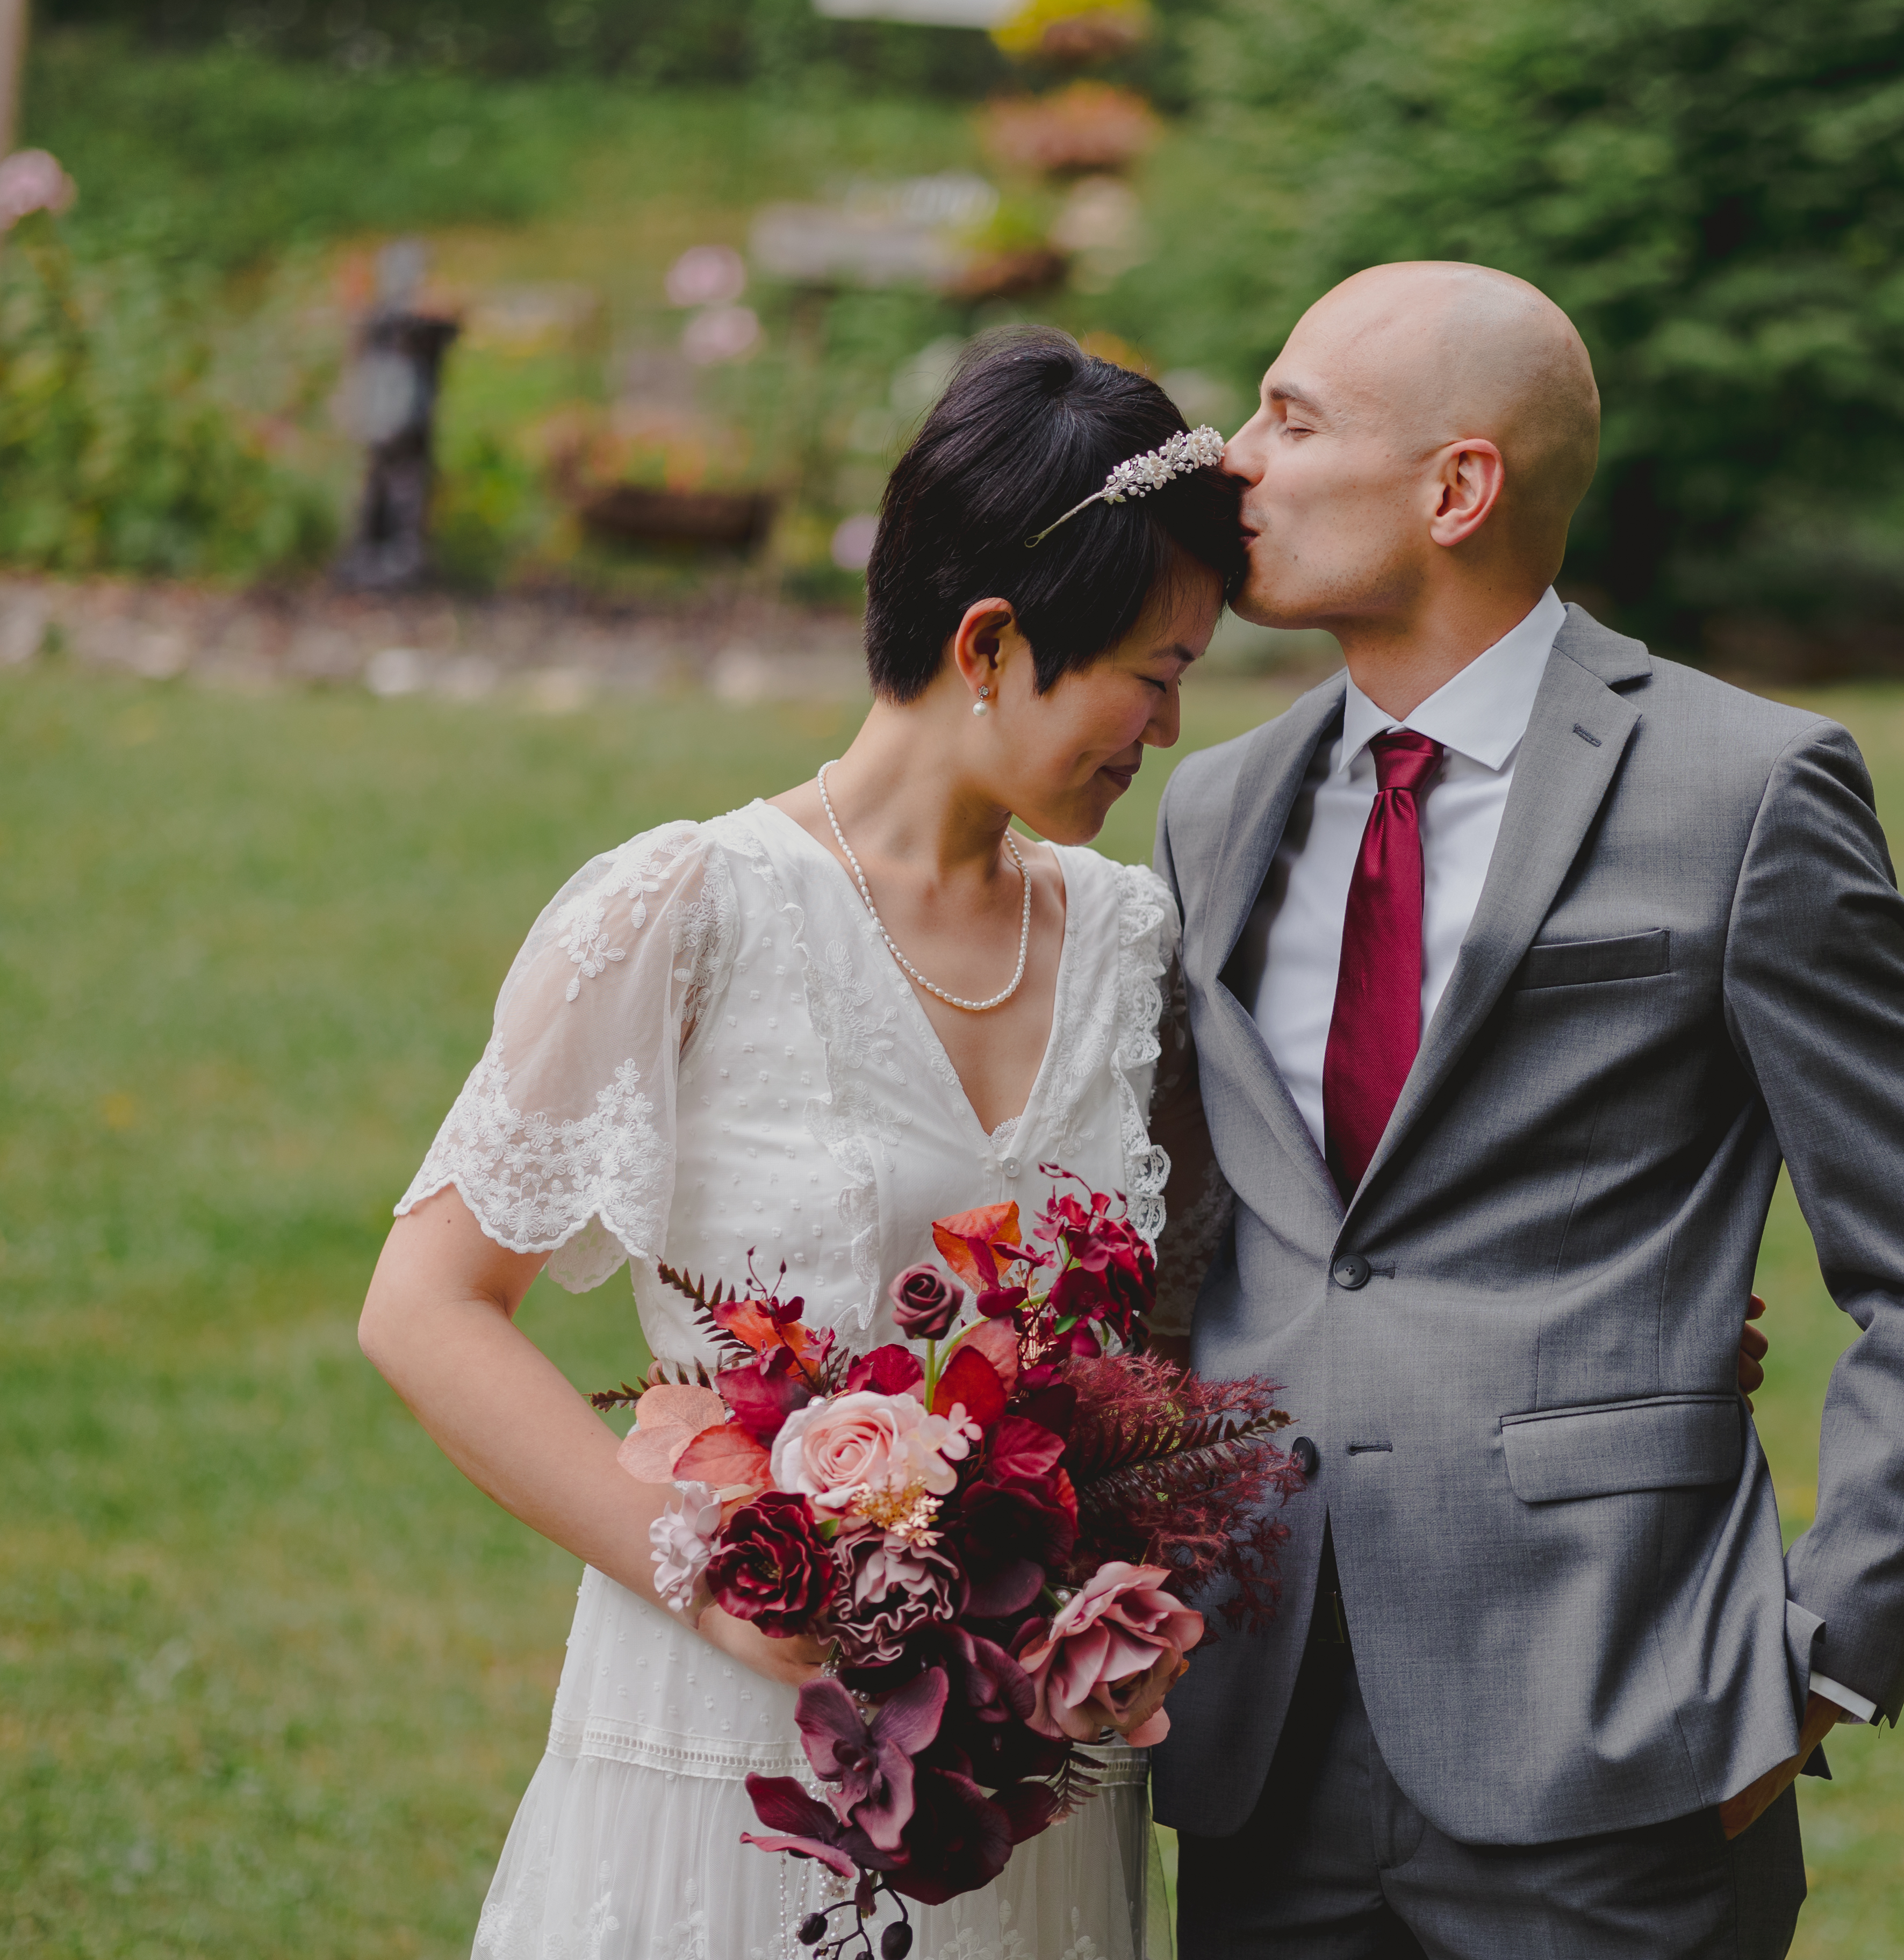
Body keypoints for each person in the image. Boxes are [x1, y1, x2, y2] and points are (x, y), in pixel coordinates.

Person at [1150, 261, 1904, 1957]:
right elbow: (1209, 1246)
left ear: (1458, 488)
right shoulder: (1217, 806)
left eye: (1291, 415)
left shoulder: (1746, 790)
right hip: (1259, 1725)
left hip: (1615, 1731)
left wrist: (1824, 1661)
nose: (1232, 458)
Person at [357, 329, 1239, 1960]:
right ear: (991, 641)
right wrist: (708, 1574)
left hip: (1026, 1793)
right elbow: (423, 1307)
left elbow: (1162, 1358)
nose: (1169, 731)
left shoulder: (1134, 949)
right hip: (723, 1759)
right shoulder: (685, 909)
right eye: (1154, 673)